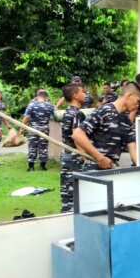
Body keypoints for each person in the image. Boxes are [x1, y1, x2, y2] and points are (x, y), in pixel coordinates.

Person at [73, 82, 140, 171]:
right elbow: (78, 135)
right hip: (94, 169)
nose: (138, 106)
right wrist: (100, 158)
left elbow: (133, 149)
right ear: (129, 95)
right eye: (138, 101)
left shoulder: (126, 120)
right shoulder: (104, 111)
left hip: (111, 168)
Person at [59, 83, 86, 212]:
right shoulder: (77, 114)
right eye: (83, 92)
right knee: (75, 190)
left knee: (66, 189)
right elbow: (77, 136)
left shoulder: (67, 112)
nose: (85, 94)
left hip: (67, 154)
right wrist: (84, 156)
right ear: (75, 95)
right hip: (75, 156)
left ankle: (65, 212)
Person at [21, 90, 56, 171]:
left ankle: (31, 167)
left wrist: (22, 128)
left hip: (33, 128)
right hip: (45, 128)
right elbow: (55, 116)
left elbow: (26, 117)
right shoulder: (50, 106)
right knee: (43, 147)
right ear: (46, 97)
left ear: (37, 96)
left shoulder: (32, 104)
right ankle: (43, 167)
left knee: (32, 147)